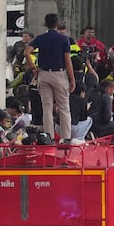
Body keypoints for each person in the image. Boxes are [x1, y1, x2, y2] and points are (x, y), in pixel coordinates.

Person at [25, 13, 75, 142]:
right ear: (57, 23)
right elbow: (68, 62)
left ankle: (48, 138)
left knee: (46, 108)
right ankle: (66, 139)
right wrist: (72, 79)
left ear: (45, 24)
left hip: (43, 74)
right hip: (59, 74)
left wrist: (33, 68)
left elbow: (27, 52)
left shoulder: (40, 38)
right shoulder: (64, 39)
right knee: (64, 107)